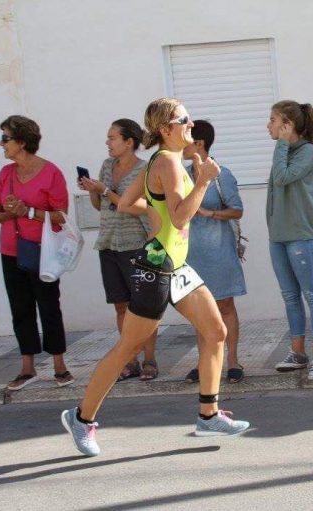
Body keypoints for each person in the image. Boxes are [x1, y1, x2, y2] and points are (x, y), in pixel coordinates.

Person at [61, 98, 250, 457]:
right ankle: (81, 418)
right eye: (185, 120)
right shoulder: (168, 163)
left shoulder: (159, 163)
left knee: (215, 331)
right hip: (157, 266)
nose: (191, 125)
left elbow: (126, 203)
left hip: (175, 265)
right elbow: (181, 219)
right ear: (166, 129)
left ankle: (208, 414)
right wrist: (203, 182)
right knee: (128, 347)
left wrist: (157, 209)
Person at [0, 115, 74, 390]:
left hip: (43, 251)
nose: (1, 144)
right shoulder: (5, 174)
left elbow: (61, 216)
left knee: (49, 306)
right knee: (20, 308)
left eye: (6, 138)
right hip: (10, 251)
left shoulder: (51, 173)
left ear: (22, 142)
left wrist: (28, 211)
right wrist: (10, 212)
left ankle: (59, 365)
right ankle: (27, 367)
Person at [78, 119, 159, 381]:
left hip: (135, 244)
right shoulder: (106, 166)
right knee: (121, 307)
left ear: (129, 142)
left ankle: (150, 359)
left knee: (143, 307)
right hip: (108, 243)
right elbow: (100, 205)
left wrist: (106, 191)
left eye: (112, 137)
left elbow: (141, 208)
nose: (107, 142)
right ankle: (129, 359)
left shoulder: (145, 170)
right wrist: (93, 190)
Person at [266, 100, 313, 381]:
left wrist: (281, 144)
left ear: (288, 125)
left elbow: (282, 178)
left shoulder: (307, 153)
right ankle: (298, 353)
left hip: (302, 236)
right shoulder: (284, 150)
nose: (267, 125)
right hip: (279, 236)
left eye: (273, 120)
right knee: (290, 296)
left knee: (312, 293)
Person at [182, 120, 247, 384]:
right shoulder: (182, 175)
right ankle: (205, 362)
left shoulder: (222, 174)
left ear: (199, 144)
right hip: (191, 253)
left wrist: (208, 213)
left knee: (225, 306)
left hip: (219, 251)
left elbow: (237, 210)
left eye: (187, 139)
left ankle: (232, 361)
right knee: (200, 311)